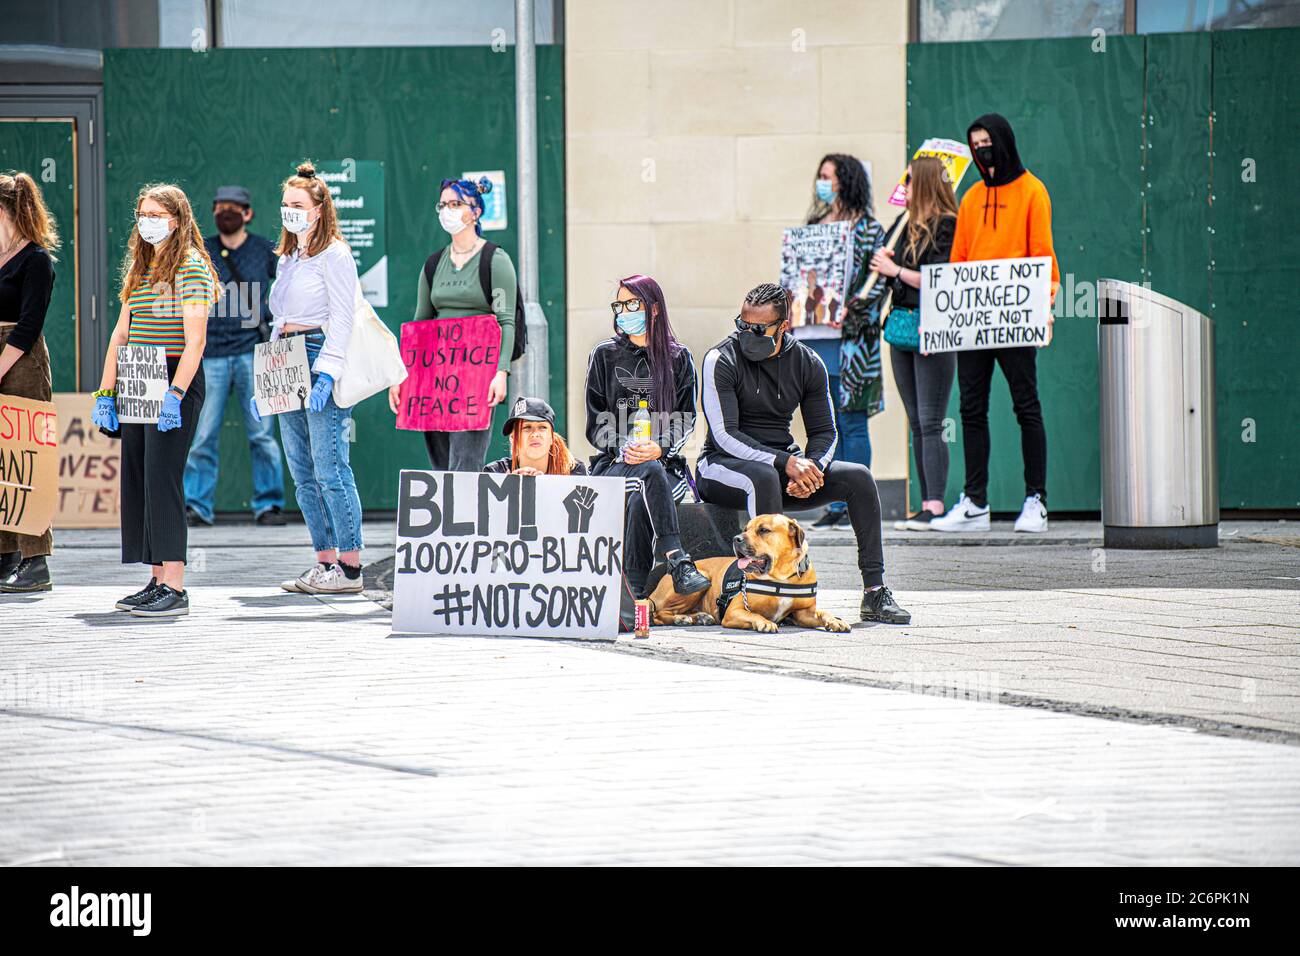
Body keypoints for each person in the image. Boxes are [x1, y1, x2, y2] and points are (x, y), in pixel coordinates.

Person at [695, 283, 911, 625]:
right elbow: (725, 435)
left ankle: (875, 591)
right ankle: (761, 594)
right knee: (762, 475)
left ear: (783, 326)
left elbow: (826, 432)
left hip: (785, 467)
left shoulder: (808, 362)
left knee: (858, 477)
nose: (747, 333)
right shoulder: (720, 358)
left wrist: (813, 471)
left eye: (758, 328)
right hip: (722, 467)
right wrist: (786, 463)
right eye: (743, 324)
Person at [931, 113, 1060, 534]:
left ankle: (1035, 500)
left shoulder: (1032, 191)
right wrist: (946, 318)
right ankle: (975, 502)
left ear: (1003, 141)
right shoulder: (969, 198)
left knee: (1026, 405)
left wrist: (1045, 306)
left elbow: (1043, 254)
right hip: (973, 320)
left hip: (1016, 317)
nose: (982, 149)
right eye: (975, 143)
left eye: (987, 141)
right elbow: (959, 262)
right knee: (970, 408)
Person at [91, 183, 216, 617]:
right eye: (142, 213)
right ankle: (157, 577)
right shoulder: (141, 266)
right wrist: (107, 391)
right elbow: (120, 333)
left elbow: (195, 340)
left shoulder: (192, 267)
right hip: (138, 375)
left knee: (164, 479)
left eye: (157, 215)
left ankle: (176, 587)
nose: (147, 222)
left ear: (177, 220)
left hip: (172, 376)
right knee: (141, 478)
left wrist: (175, 395)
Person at [257, 161, 365, 595]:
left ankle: (351, 566)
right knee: (301, 469)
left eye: (298, 204)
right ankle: (323, 560)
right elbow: (280, 317)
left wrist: (328, 373)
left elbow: (343, 317)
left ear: (319, 208)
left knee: (330, 466)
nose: (290, 211)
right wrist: (268, 376)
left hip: (320, 351)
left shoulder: (335, 254)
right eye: (285, 204)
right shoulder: (288, 257)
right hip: (286, 357)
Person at [584, 275, 709, 600]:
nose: (623, 311)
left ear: (653, 309)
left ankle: (633, 593)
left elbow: (687, 418)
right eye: (619, 305)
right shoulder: (604, 355)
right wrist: (623, 447)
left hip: (667, 467)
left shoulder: (679, 358)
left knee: (648, 479)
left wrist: (660, 448)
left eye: (631, 304)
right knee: (644, 474)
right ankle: (677, 560)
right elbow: (596, 423)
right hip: (614, 465)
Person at [389, 176, 515, 471]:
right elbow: (419, 325)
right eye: (443, 204)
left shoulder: (495, 260)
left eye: (456, 204)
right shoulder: (433, 263)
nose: (448, 210)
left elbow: (506, 320)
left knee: (466, 462)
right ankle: (448, 518)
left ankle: (468, 518)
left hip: (475, 375)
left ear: (476, 211)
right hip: (434, 376)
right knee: (442, 465)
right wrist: (401, 376)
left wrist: (501, 372)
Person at [183, 184, 287, 527]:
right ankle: (197, 505)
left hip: (253, 355)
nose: (225, 212)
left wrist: (276, 319)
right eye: (219, 206)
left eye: (234, 207)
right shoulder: (203, 251)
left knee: (262, 434)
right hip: (209, 352)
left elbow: (289, 284)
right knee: (202, 436)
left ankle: (269, 505)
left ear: (248, 213)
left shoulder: (264, 250)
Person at [797, 153, 887, 531]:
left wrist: (856, 309)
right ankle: (831, 502)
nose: (822, 182)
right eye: (819, 175)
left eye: (828, 176)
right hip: (814, 336)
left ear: (846, 181)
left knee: (852, 422)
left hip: (851, 343)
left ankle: (856, 503)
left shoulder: (869, 230)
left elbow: (880, 282)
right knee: (824, 423)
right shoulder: (814, 226)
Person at [871, 157, 959, 531]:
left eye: (909, 178)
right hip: (903, 325)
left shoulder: (947, 226)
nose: (903, 184)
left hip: (933, 329)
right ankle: (926, 504)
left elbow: (942, 278)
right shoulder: (905, 225)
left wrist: (897, 271)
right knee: (916, 421)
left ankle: (935, 504)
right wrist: (886, 266)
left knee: (930, 419)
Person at [0, 171, 59, 593]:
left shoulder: (36, 259)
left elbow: (29, 323)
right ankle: (5, 556)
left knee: (26, 459)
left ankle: (35, 561)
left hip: (20, 359)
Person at [484, 397, 587, 476]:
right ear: (513, 438)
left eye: (542, 427)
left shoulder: (573, 470)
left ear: (551, 437)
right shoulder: (495, 473)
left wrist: (544, 485)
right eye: (527, 427)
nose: (535, 434)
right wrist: (510, 487)